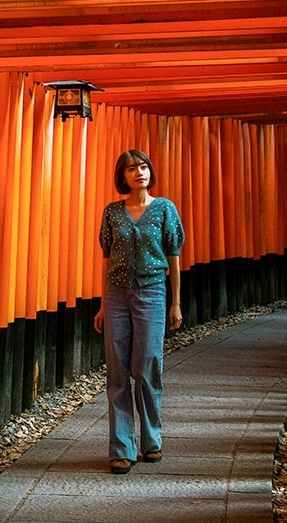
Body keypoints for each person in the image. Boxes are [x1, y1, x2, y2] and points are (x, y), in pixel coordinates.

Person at [93, 149, 185, 474]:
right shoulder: (112, 213)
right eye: (131, 169)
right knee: (117, 371)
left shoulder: (164, 209)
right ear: (123, 176)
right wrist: (103, 304)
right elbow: (106, 260)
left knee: (147, 366)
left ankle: (151, 440)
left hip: (152, 292)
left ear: (150, 172)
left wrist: (175, 302)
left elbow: (174, 256)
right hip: (116, 295)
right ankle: (121, 448)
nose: (139, 173)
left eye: (143, 167)